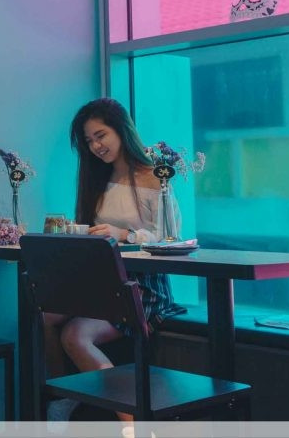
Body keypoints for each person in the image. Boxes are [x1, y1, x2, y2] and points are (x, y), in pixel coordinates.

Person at [44, 97, 184, 422]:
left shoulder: (154, 177)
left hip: (143, 287)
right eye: (89, 141)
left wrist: (126, 235)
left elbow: (171, 238)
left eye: (100, 135)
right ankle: (64, 394)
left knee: (75, 335)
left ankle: (129, 420)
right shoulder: (97, 180)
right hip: (103, 282)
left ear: (121, 130)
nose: (96, 146)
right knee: (43, 313)